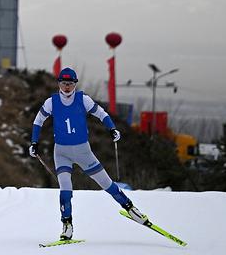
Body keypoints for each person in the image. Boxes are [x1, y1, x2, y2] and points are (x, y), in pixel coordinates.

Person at [28, 67, 148, 242]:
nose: (67, 87)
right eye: (63, 83)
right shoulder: (51, 102)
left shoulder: (82, 99)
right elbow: (38, 121)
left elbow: (101, 114)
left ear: (75, 84)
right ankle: (67, 226)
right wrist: (34, 142)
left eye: (70, 84)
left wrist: (113, 129)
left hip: (84, 152)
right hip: (61, 153)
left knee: (107, 184)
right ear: (59, 84)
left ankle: (131, 208)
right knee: (65, 189)